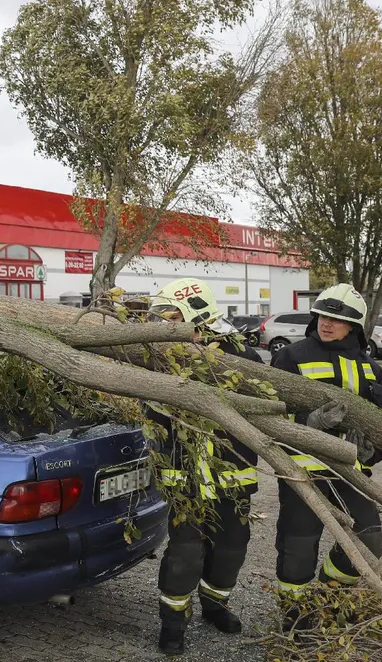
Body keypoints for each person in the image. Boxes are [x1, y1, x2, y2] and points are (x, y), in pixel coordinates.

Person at [145, 278, 263, 655]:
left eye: (171, 315)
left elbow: (264, 412)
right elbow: (151, 415)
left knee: (232, 547)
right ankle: (172, 624)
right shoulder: (162, 358)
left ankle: (215, 606)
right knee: (185, 553)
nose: (164, 323)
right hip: (185, 477)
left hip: (232, 476)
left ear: (196, 315)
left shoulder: (242, 358)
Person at [269, 283, 382, 632]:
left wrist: (373, 451)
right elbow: (270, 414)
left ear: (353, 326)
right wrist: (308, 424)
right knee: (297, 550)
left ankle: (326, 597)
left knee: (369, 540)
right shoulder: (291, 356)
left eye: (337, 319)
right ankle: (295, 621)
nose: (327, 323)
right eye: (323, 315)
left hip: (351, 473)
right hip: (301, 472)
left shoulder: (370, 367)